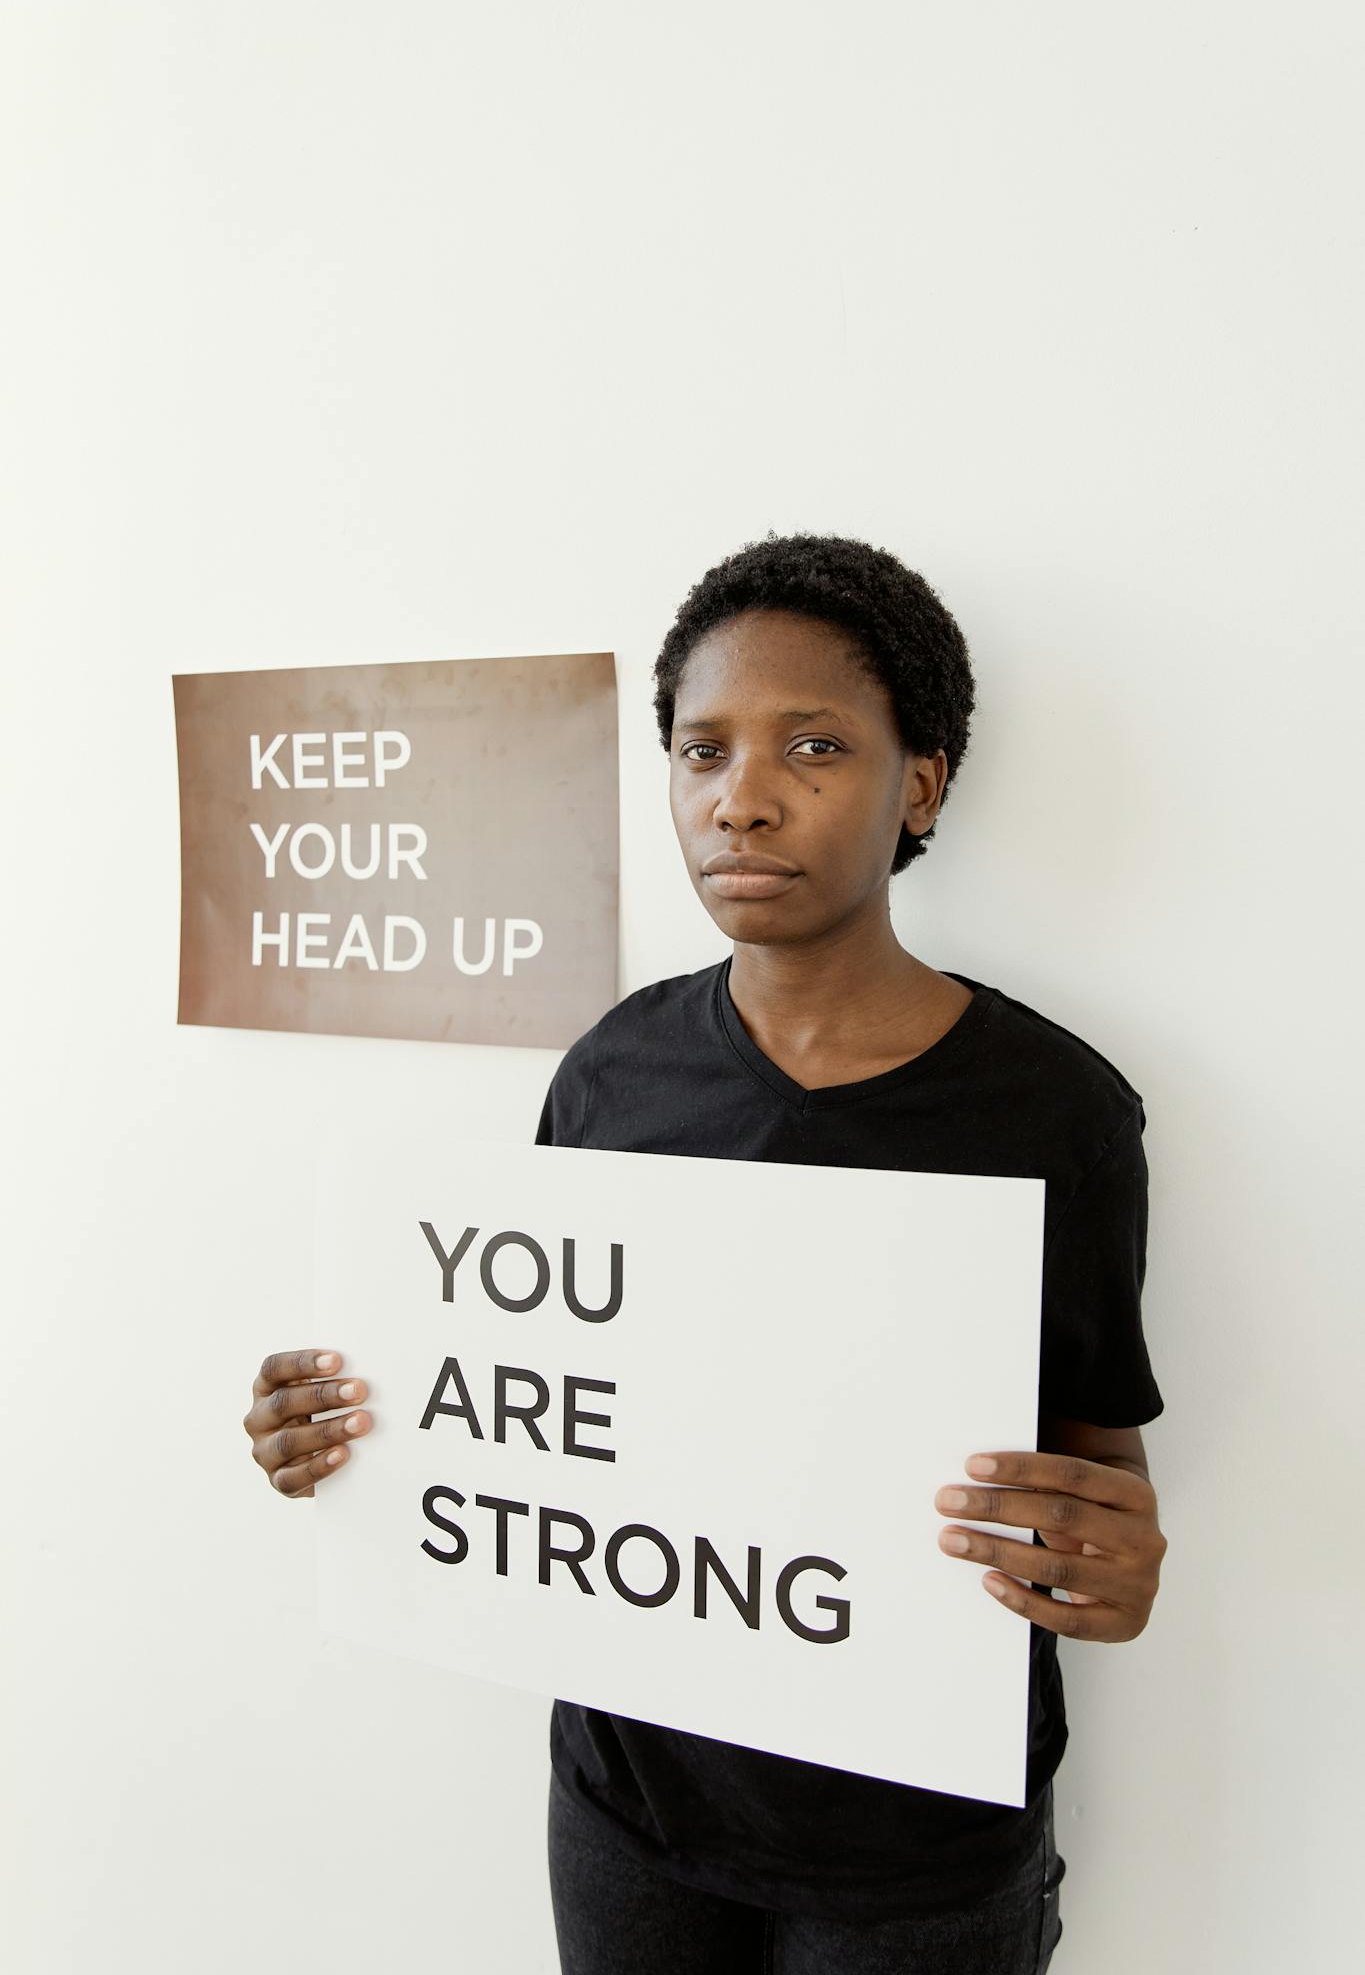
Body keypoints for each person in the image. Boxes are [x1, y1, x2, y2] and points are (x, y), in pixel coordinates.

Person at [244, 531, 1167, 1973]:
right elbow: (539, 1392)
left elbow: (1095, 1464)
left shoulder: (1054, 1111)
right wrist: (354, 1430)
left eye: (813, 746)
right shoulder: (612, 1070)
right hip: (627, 1806)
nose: (742, 801)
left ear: (917, 784)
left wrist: (1107, 1564)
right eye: (700, 751)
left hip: (910, 1852)